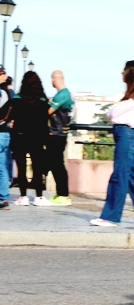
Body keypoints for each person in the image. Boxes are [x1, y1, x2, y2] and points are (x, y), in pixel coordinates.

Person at [90, 61, 134, 227]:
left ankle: (111, 216)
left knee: (119, 176)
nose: (121, 73)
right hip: (127, 136)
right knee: (130, 176)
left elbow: (113, 113)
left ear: (130, 73)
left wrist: (113, 108)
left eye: (124, 70)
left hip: (127, 136)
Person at [10, 71, 50, 206]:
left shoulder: (17, 99)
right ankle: (39, 196)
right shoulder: (43, 100)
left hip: (20, 136)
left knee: (21, 167)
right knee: (37, 167)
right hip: (37, 137)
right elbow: (46, 119)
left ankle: (23, 196)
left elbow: (11, 116)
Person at [46, 70, 75, 206]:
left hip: (57, 134)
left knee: (57, 165)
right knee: (55, 164)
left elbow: (48, 112)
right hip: (59, 133)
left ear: (54, 80)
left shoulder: (62, 95)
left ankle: (63, 195)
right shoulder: (65, 94)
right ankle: (60, 194)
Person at [0, 67, 13, 210]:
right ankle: (4, 197)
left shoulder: (1, 93)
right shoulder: (9, 93)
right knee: (2, 166)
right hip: (4, 133)